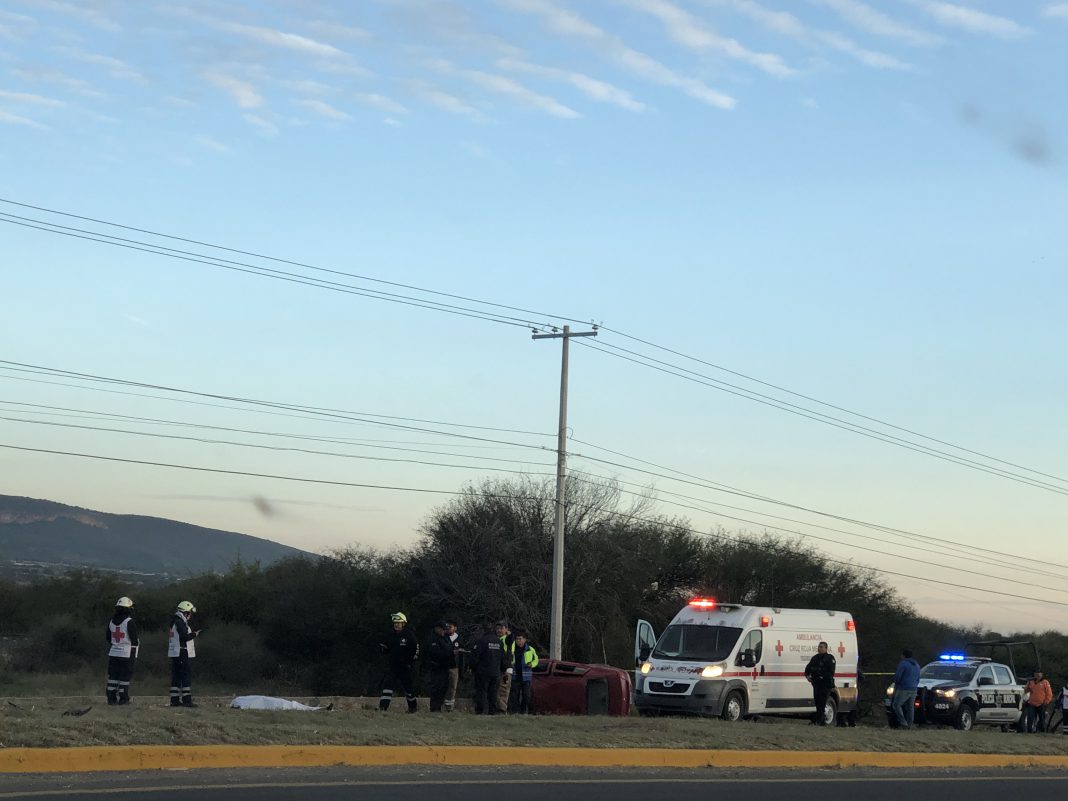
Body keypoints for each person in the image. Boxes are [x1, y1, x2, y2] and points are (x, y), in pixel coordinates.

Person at [378, 612, 420, 713]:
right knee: (387, 685)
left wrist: (411, 663)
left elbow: (416, 649)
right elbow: (386, 648)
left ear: (403, 623)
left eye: (399, 622)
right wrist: (383, 649)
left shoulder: (409, 635)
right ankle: (383, 708)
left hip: (405, 667)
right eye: (395, 623)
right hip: (393, 666)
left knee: (408, 688)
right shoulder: (391, 635)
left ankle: (413, 708)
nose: (396, 625)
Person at [105, 596, 139, 706]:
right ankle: (123, 699)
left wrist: (116, 645)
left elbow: (108, 638)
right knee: (124, 678)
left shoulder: (111, 622)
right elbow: (134, 640)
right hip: (126, 653)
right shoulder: (129, 622)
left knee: (113, 677)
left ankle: (111, 699)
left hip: (113, 653)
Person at [470, 623, 508, 714]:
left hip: (483, 671)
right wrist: (503, 670)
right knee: (493, 693)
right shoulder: (499, 642)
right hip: (496, 672)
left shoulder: (482, 641)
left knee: (482, 691)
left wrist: (472, 668)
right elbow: (503, 657)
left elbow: (475, 657)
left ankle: (481, 710)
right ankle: (492, 711)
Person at [168, 601, 198, 708]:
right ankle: (186, 700)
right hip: (182, 652)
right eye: (189, 613)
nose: (190, 615)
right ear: (186, 612)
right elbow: (185, 637)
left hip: (175, 653)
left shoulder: (174, 621)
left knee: (176, 677)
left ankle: (174, 699)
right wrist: (194, 634)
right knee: (185, 676)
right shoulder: (180, 622)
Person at [425, 620, 455, 712]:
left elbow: (450, 648)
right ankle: (434, 708)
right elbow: (436, 653)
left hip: (445, 667)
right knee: (436, 688)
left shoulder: (445, 638)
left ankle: (439, 706)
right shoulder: (432, 639)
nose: (444, 631)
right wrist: (450, 653)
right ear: (437, 629)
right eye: (443, 629)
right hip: (436, 667)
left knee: (444, 687)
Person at [804, 641, 836, 725]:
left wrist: (821, 674)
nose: (820, 648)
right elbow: (807, 669)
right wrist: (808, 676)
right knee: (817, 701)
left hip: (825, 684)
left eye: (822, 647)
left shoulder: (830, 658)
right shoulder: (815, 658)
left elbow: (831, 672)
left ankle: (820, 720)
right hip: (816, 683)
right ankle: (819, 720)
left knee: (822, 702)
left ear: (826, 648)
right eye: (819, 647)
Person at [508, 630, 539, 714]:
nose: (518, 641)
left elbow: (536, 660)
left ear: (525, 639)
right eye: (517, 639)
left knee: (526, 697)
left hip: (526, 677)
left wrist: (532, 664)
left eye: (520, 639)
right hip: (515, 676)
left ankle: (523, 711)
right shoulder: (512, 648)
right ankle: (515, 712)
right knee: (514, 697)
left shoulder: (530, 649)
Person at [890, 648, 921, 729]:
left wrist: (895, 681)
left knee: (896, 705)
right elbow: (918, 678)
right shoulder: (917, 665)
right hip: (914, 689)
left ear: (903, 655)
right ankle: (910, 724)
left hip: (903, 688)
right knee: (910, 707)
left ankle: (903, 722)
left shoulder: (903, 664)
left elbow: (898, 676)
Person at [495, 620, 515, 713]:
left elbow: (510, 639)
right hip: (499, 667)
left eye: (501, 628)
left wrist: (509, 635)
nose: (499, 630)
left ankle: (502, 710)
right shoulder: (497, 639)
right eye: (498, 628)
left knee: (503, 690)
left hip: (506, 668)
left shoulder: (506, 638)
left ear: (506, 629)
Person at [444, 620, 463, 712]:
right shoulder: (443, 637)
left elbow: (462, 655)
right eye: (447, 627)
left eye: (450, 627)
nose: (448, 629)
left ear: (455, 628)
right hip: (444, 666)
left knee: (452, 687)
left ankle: (449, 707)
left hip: (454, 667)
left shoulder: (459, 639)